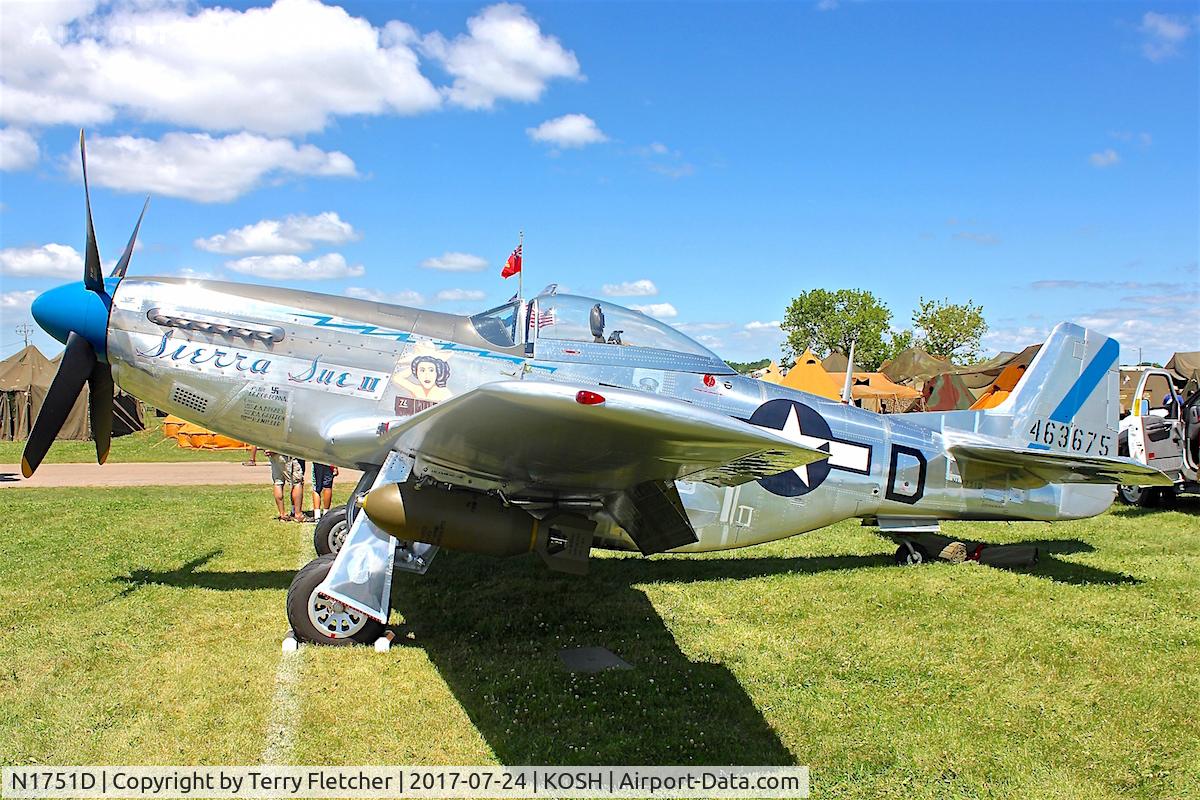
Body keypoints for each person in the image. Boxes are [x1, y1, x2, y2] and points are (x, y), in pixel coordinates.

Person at [267, 451, 306, 522]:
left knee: (278, 483)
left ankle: (282, 514)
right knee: (297, 482)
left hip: (273, 454)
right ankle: (298, 514)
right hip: (285, 453)